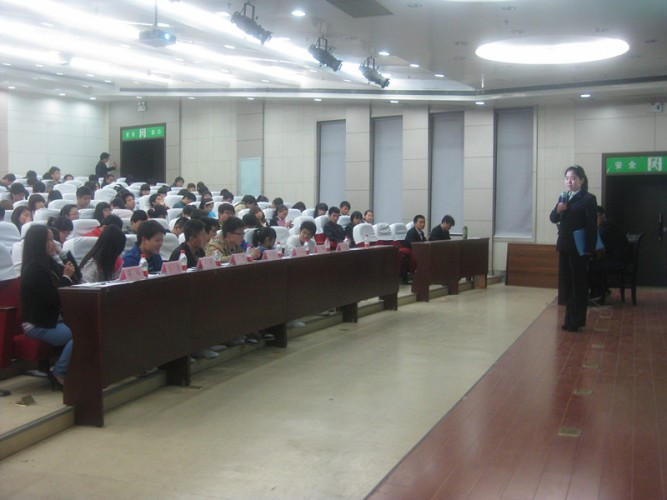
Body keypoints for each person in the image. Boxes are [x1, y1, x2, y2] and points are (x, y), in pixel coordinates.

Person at [20, 224, 76, 390]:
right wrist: (66, 278)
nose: (53, 244)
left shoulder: (49, 263)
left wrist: (62, 254)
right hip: (38, 324)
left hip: (53, 320)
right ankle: (59, 372)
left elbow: (76, 275)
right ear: (38, 243)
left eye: (53, 240)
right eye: (49, 240)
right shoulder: (33, 271)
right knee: (80, 334)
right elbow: (54, 298)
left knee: (88, 327)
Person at [550, 165, 597, 332]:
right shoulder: (563, 197)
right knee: (567, 284)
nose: (569, 181)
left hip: (579, 248)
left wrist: (589, 249)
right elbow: (553, 218)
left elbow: (591, 226)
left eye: (573, 178)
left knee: (578, 284)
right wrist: (558, 210)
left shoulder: (588, 199)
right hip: (564, 245)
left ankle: (577, 321)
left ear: (581, 180)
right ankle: (569, 319)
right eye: (567, 178)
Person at [588, 206, 629, 303]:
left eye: (597, 216)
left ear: (603, 215)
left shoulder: (607, 227)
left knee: (591, 267)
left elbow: (598, 245)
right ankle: (601, 291)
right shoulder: (606, 226)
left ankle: (599, 294)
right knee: (592, 265)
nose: (595, 219)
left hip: (618, 261)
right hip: (616, 258)